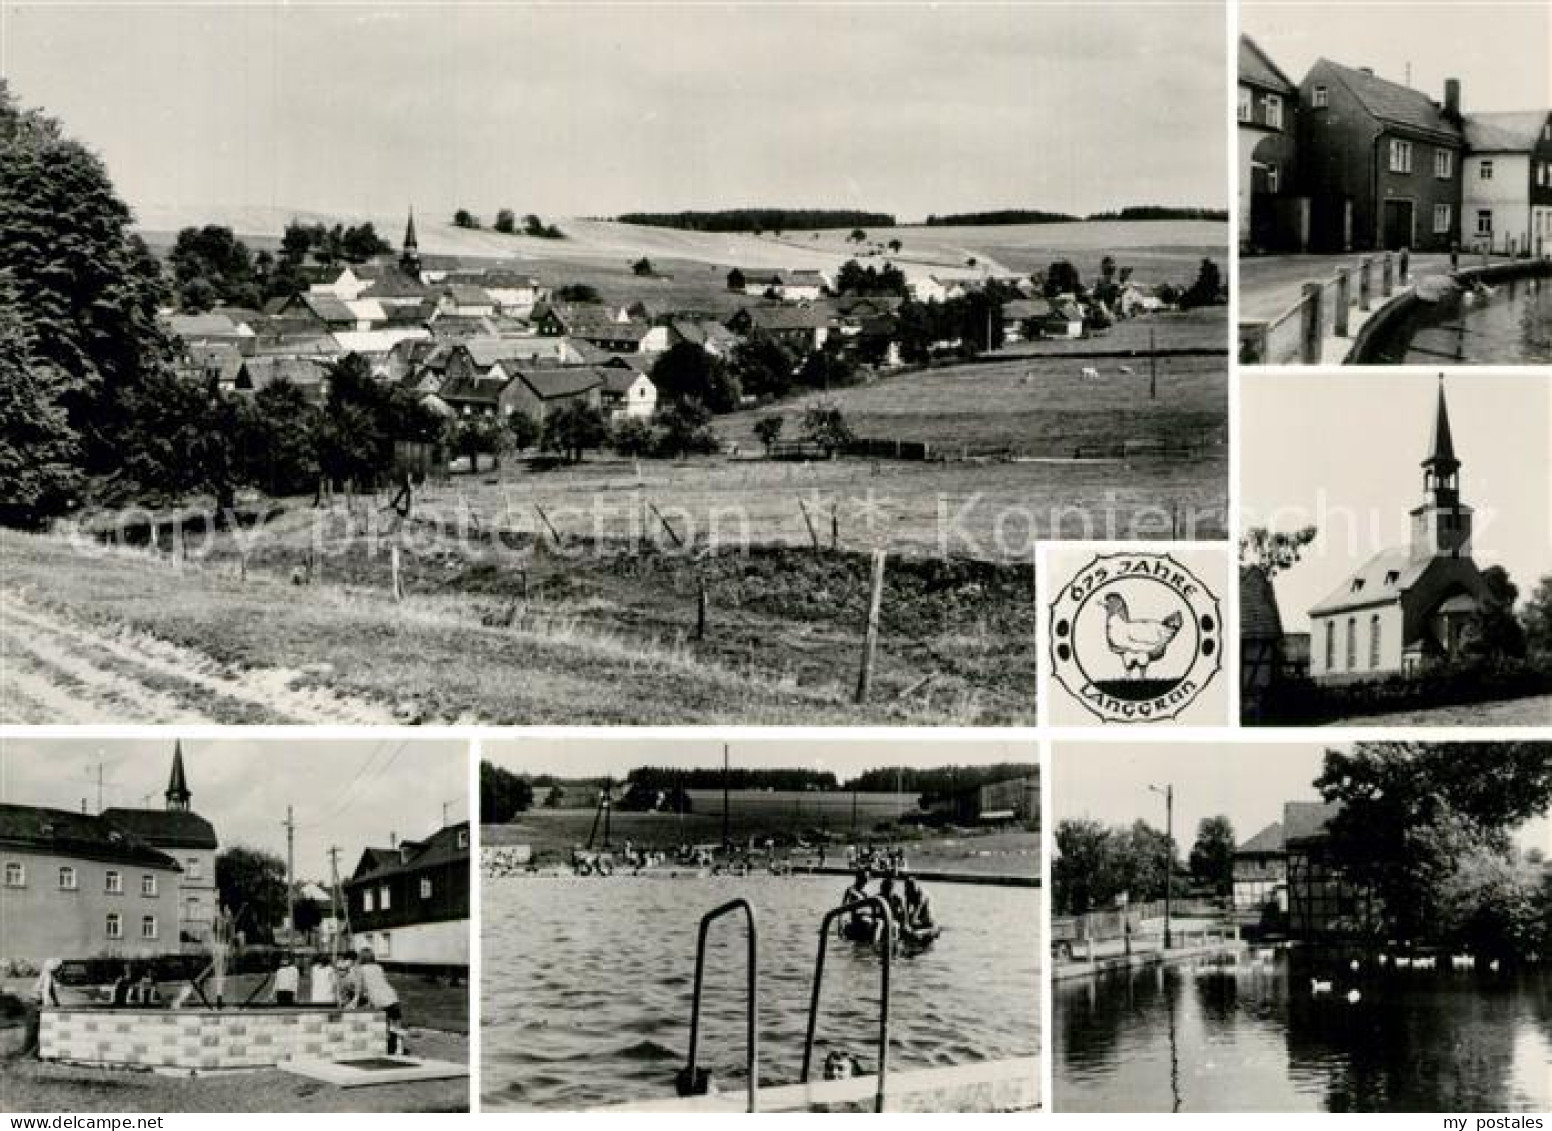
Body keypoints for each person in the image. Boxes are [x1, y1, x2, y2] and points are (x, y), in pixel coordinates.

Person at [346, 947, 408, 1055]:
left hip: (380, 1001)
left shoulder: (360, 969)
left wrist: (353, 1002)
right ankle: (398, 1050)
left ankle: (381, 1050)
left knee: (381, 1027)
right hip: (393, 997)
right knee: (395, 1027)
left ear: (360, 957)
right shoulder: (379, 967)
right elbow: (378, 983)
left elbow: (358, 988)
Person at [901, 876, 937, 942]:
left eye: (911, 887)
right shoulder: (907, 892)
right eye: (907, 887)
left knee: (924, 918)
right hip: (918, 914)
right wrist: (905, 922)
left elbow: (918, 909)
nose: (907, 890)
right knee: (905, 920)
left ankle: (928, 928)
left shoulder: (921, 893)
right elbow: (906, 909)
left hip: (926, 914)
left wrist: (910, 923)